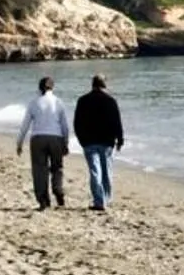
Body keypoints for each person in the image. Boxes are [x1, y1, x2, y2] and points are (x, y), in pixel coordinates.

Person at [16, 75, 74, 211]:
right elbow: (65, 126)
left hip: (38, 138)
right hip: (56, 137)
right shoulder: (58, 102)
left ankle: (43, 200)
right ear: (52, 87)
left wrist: (19, 143)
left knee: (39, 170)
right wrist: (65, 142)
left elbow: (25, 125)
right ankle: (58, 191)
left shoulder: (34, 102)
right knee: (57, 167)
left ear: (40, 88)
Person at [73, 75, 125, 212]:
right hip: (107, 142)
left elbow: (77, 123)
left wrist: (81, 140)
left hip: (89, 141)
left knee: (95, 171)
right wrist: (120, 140)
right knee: (106, 171)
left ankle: (98, 200)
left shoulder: (82, 101)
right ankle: (106, 200)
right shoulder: (111, 101)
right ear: (104, 85)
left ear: (92, 85)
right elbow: (117, 122)